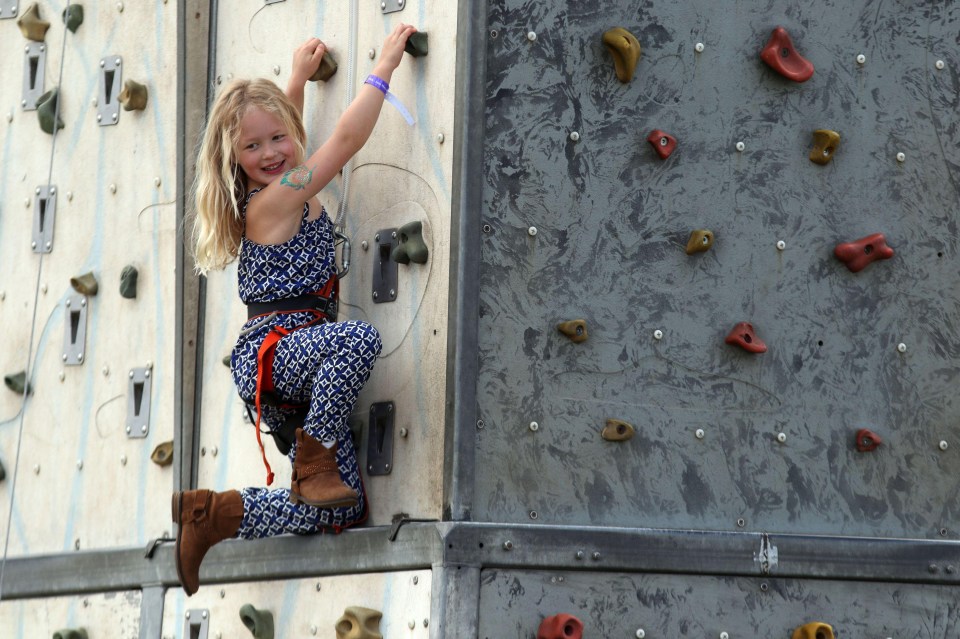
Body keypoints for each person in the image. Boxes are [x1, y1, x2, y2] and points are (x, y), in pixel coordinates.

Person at [173, 23, 418, 597]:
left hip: (297, 370)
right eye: (251, 147)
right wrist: (381, 69)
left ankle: (214, 516)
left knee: (341, 510)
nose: (270, 154)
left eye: (276, 139)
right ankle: (314, 461)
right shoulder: (274, 201)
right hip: (277, 354)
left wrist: (298, 80)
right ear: (232, 158)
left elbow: (288, 136)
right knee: (356, 340)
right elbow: (343, 145)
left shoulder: (280, 179)